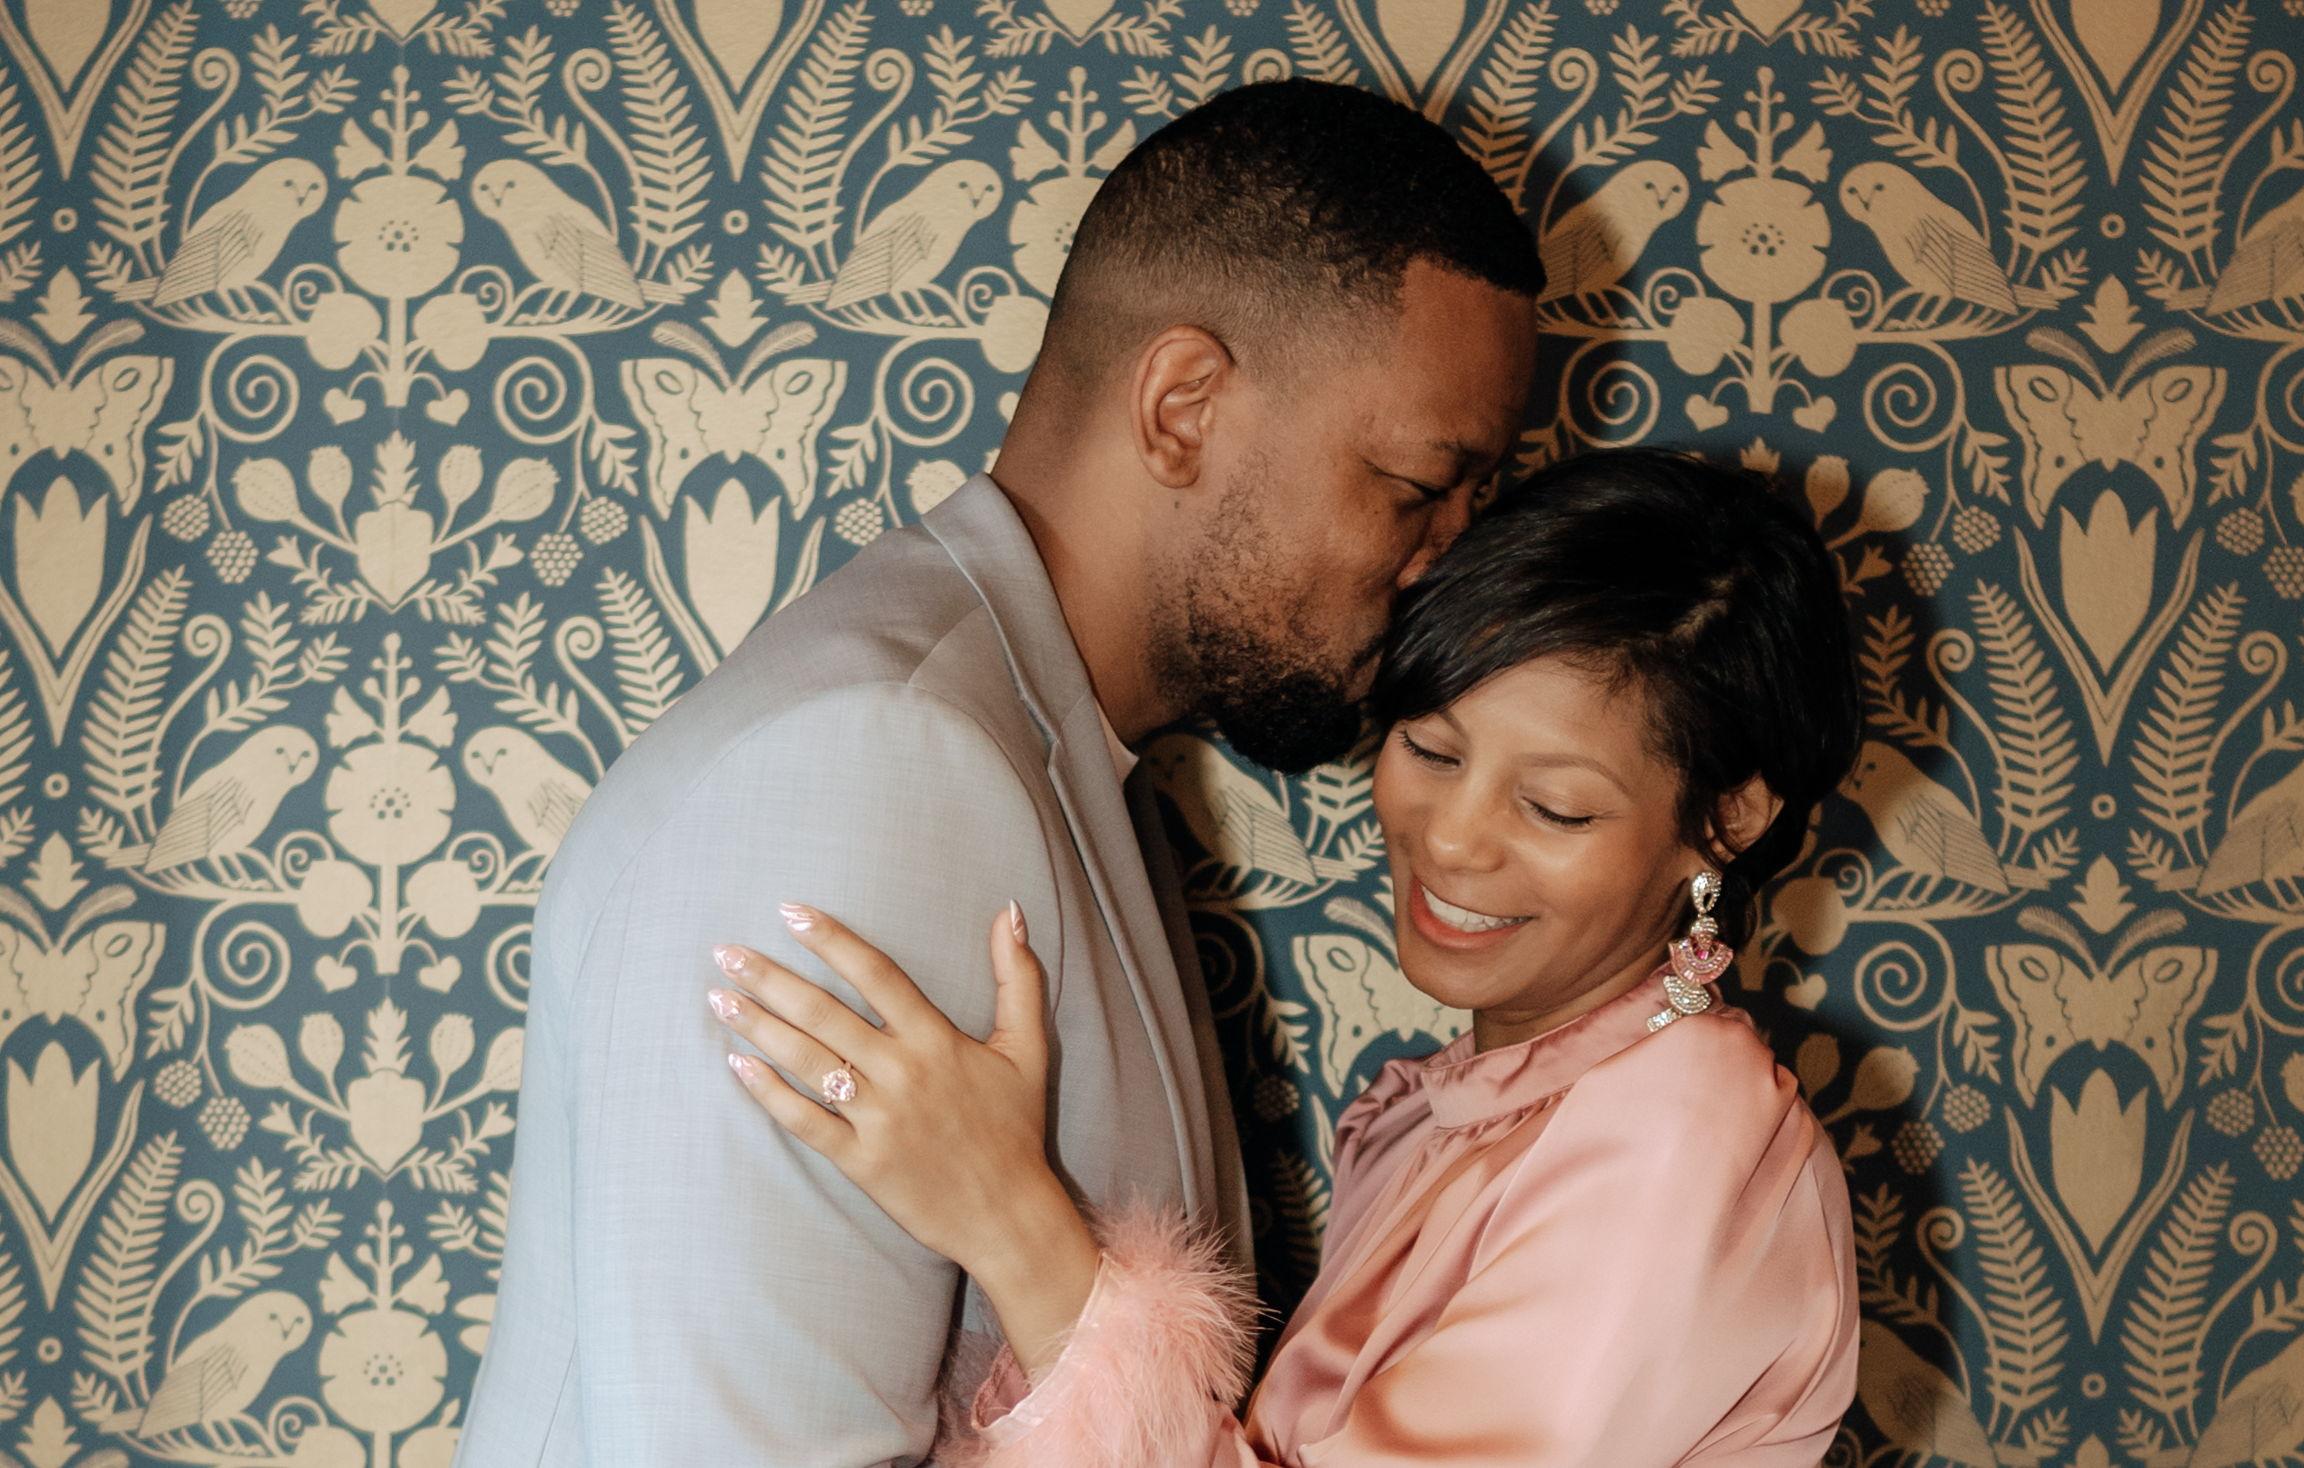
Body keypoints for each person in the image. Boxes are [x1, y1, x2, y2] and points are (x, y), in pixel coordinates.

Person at [453, 79, 1539, 1465]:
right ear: (1184, 406)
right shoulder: (873, 769)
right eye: (1417, 485)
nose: (1448, 558)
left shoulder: (1047, 746)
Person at [714, 446, 1868, 1466]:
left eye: (1555, 807)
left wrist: (1012, 1221)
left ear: (1728, 817)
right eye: (1431, 749)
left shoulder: (1680, 1136)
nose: (1452, 839)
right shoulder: (1458, 1107)